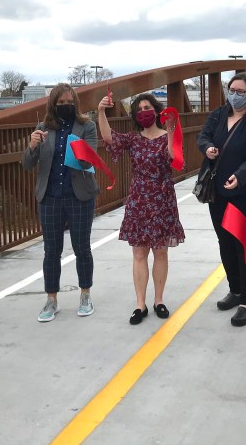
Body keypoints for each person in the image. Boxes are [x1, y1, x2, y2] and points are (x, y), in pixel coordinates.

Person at [97, 92, 185, 325]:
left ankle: (159, 300)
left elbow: (174, 158)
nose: (144, 111)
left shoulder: (169, 135)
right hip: (139, 200)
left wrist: (170, 131)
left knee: (161, 251)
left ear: (156, 110)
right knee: (139, 253)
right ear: (136, 117)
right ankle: (140, 304)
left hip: (163, 198)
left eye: (148, 107)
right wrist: (101, 111)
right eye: (139, 109)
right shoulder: (133, 139)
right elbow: (108, 137)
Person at [197, 72, 246, 327]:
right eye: (232, 89)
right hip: (217, 192)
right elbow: (202, 136)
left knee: (245, 245)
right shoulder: (218, 115)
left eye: (241, 91)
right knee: (225, 242)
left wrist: (240, 176)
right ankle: (235, 289)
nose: (235, 95)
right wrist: (207, 147)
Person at [22, 83, 99, 322]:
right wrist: (33, 145)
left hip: (79, 196)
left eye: (70, 102)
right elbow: (26, 164)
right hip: (50, 197)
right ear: (53, 104)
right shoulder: (43, 128)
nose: (66, 106)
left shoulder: (87, 126)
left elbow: (88, 163)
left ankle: (85, 294)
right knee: (51, 251)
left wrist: (78, 150)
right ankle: (51, 299)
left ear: (75, 103)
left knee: (81, 247)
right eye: (61, 103)